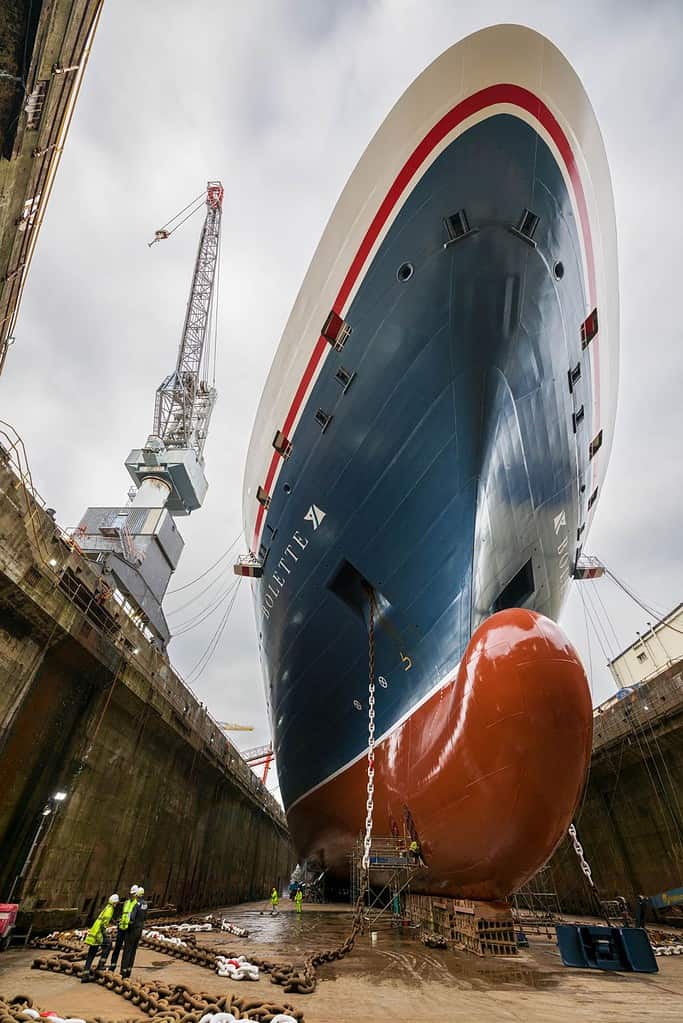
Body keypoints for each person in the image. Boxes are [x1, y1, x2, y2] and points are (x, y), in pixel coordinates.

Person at [82, 894, 119, 981]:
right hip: (98, 934)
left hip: (93, 933)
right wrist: (105, 934)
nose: (117, 904)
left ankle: (85, 974)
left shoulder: (106, 907)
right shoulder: (110, 910)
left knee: (91, 954)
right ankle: (101, 965)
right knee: (109, 944)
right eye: (116, 902)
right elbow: (103, 924)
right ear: (114, 902)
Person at [109, 885, 139, 970]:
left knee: (126, 950)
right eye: (131, 894)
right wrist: (119, 922)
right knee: (117, 948)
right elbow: (123, 914)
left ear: (136, 894)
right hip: (122, 928)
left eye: (133, 894)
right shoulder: (126, 902)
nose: (131, 895)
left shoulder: (136, 904)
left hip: (129, 929)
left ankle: (124, 969)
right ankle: (112, 966)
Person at [120, 885, 148, 977]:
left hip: (132, 929)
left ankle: (123, 972)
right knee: (133, 951)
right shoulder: (145, 904)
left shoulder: (136, 904)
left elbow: (132, 917)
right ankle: (129, 971)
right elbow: (145, 917)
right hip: (139, 929)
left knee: (127, 950)